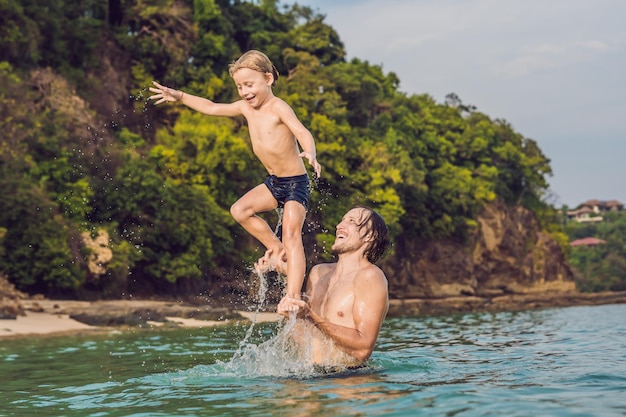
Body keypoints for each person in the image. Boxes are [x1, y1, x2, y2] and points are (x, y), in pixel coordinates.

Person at [149, 50, 321, 307]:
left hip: (296, 182)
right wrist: (181, 96)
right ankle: (276, 249)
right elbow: (211, 107)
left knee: (292, 233)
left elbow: (301, 130)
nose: (244, 91)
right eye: (240, 86)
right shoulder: (244, 108)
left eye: (249, 85)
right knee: (240, 210)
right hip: (274, 183)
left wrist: (310, 152)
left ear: (268, 79)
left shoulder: (278, 107)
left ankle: (293, 296)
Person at [256, 206, 390, 369]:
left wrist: (312, 316)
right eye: (342, 220)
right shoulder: (318, 272)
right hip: (312, 375)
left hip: (348, 380)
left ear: (370, 235)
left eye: (352, 221)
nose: (340, 225)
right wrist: (287, 279)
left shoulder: (370, 277)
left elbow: (363, 348)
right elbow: (302, 338)